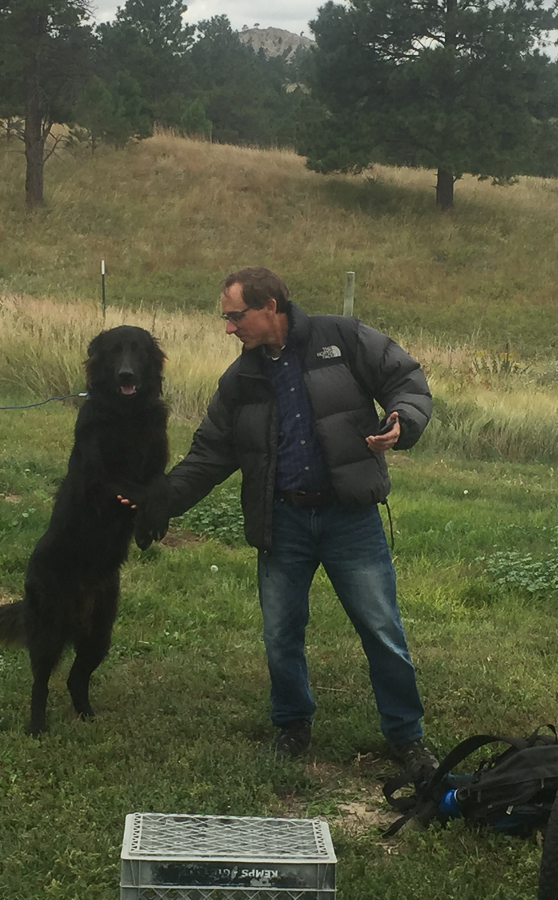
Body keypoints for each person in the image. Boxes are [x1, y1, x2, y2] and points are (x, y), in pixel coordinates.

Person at [161, 266, 436, 774]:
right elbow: (209, 455)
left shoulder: (343, 338)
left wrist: (402, 420)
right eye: (225, 318)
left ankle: (407, 737)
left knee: (380, 629)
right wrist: (158, 500)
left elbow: (406, 379)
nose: (228, 328)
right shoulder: (240, 378)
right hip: (282, 521)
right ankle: (292, 725)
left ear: (270, 308)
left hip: (348, 518)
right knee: (281, 632)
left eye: (234, 316)